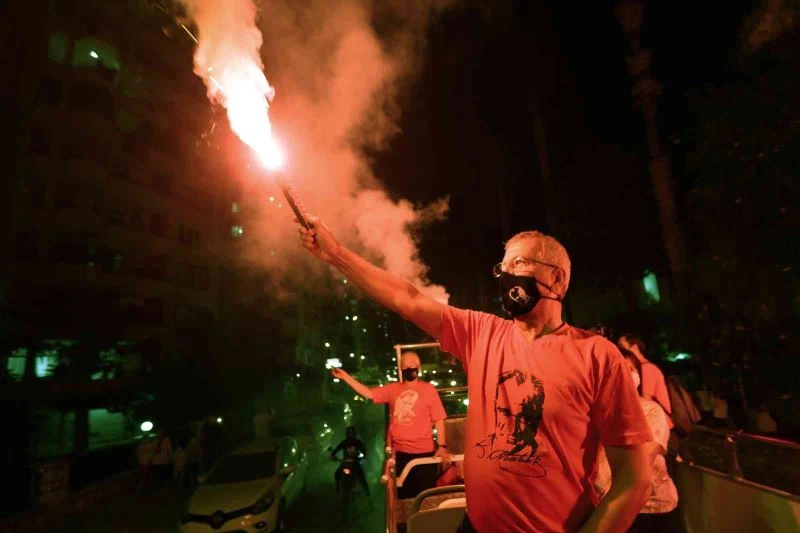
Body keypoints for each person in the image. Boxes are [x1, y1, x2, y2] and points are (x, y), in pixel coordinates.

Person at [299, 217, 653, 533]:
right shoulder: (481, 333)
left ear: (557, 278)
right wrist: (336, 254)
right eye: (503, 266)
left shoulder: (597, 355)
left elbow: (633, 480)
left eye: (520, 262)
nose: (506, 274)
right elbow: (407, 298)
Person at [331, 352, 450, 498]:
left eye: (412, 365)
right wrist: (346, 377)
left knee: (426, 497)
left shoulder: (429, 390)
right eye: (405, 365)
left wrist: (442, 446)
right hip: (400, 454)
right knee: (404, 497)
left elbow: (439, 419)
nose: (409, 368)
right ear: (400, 368)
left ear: (418, 367)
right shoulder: (393, 389)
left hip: (424, 455)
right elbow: (369, 393)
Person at [595, 356, 681, 532]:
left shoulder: (650, 410)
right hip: (606, 506)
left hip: (650, 508)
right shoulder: (596, 410)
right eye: (616, 368)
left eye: (630, 368)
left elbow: (641, 461)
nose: (624, 373)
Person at [618, 333, 673, 425]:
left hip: (658, 425)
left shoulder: (646, 368)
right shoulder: (643, 367)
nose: (618, 350)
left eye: (622, 346)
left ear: (634, 347)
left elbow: (646, 399)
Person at [330, 426, 370, 496]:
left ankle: (367, 493)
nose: (350, 434)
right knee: (336, 474)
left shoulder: (357, 442)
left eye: (351, 432)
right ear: (347, 433)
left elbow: (364, 450)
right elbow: (337, 449)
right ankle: (338, 489)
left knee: (362, 478)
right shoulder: (344, 442)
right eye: (349, 432)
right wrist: (332, 454)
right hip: (345, 462)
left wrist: (364, 455)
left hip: (355, 462)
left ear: (354, 433)